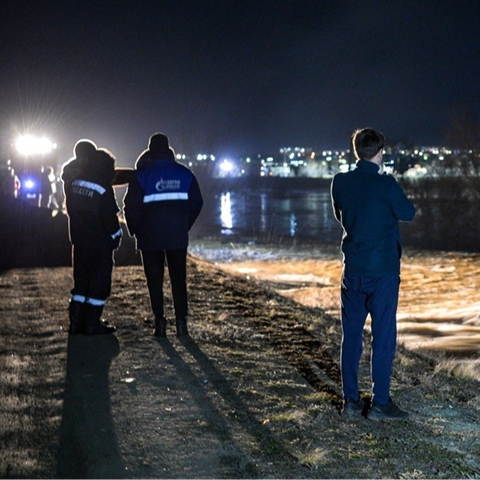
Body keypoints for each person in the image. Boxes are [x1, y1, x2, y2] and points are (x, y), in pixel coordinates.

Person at [330, 128, 416, 421]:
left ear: (357, 152)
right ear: (380, 152)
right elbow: (408, 213)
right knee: (383, 337)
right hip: (383, 273)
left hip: (353, 270)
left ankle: (351, 402)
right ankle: (380, 404)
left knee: (351, 338)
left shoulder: (340, 182)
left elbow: (340, 215)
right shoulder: (387, 185)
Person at [124, 133, 203, 337]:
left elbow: (130, 207)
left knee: (154, 281)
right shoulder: (185, 174)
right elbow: (197, 202)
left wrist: (136, 230)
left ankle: (160, 324)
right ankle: (181, 324)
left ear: (150, 150)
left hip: (149, 239)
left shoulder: (141, 175)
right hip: (177, 237)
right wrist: (184, 224)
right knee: (179, 279)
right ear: (169, 150)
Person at [62, 140, 122, 335]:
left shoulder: (74, 183)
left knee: (81, 284)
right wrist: (116, 236)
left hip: (79, 241)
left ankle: (76, 324)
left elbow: (71, 210)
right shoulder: (102, 188)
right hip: (100, 244)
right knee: (99, 285)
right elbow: (109, 218)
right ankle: (92, 324)